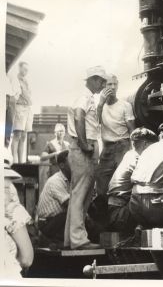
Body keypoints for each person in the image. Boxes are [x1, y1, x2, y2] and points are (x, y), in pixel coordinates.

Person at [64, 65, 106, 249]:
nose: (103, 84)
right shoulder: (85, 96)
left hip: (82, 146)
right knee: (81, 194)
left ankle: (70, 239)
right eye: (101, 81)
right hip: (84, 147)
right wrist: (83, 143)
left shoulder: (86, 96)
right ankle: (78, 240)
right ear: (94, 79)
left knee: (79, 194)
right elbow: (79, 116)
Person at [106, 128, 157, 234]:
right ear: (145, 144)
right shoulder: (138, 159)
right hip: (121, 215)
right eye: (153, 146)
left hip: (115, 212)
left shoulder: (129, 154)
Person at [96, 74, 136, 196]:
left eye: (115, 84)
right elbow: (94, 123)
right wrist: (100, 104)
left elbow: (132, 130)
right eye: (109, 84)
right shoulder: (99, 107)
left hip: (122, 147)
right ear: (103, 86)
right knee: (101, 184)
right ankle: (104, 213)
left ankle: (120, 213)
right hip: (107, 148)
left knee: (122, 184)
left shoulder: (125, 106)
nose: (112, 87)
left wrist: (133, 152)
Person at [3, 147, 34, 278]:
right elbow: (26, 259)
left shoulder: (13, 211)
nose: (8, 194)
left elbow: (27, 260)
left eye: (7, 188)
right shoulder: (12, 211)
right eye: (4, 188)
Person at [36, 150, 71, 243]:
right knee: (72, 214)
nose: (75, 165)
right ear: (62, 165)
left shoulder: (70, 179)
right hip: (47, 223)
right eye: (71, 161)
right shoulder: (56, 180)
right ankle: (50, 240)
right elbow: (71, 204)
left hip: (57, 220)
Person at [10, 61, 33, 163]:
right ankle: (14, 162)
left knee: (24, 136)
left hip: (28, 108)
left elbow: (29, 94)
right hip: (19, 107)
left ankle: (21, 162)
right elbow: (18, 94)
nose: (25, 71)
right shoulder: (15, 80)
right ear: (19, 68)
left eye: (27, 70)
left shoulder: (27, 81)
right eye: (24, 69)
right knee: (17, 135)